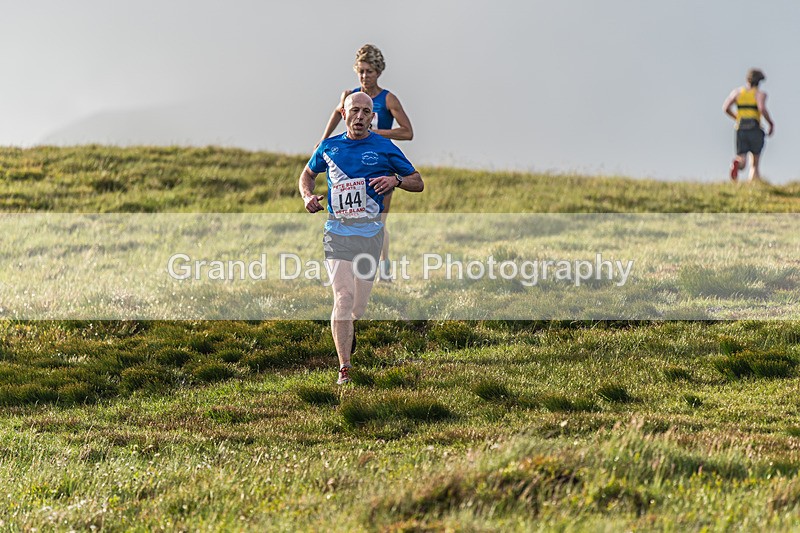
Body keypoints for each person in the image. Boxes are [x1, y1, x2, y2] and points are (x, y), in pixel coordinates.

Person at [300, 92, 423, 384]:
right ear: (344, 114)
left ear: (372, 117)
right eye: (354, 110)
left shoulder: (384, 147)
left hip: (370, 236)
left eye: (366, 112)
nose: (359, 116)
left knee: (358, 307)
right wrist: (307, 196)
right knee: (343, 297)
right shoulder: (329, 147)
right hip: (337, 233)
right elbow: (307, 175)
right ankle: (345, 367)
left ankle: (350, 326)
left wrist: (396, 180)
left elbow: (418, 182)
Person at [318, 44, 414, 282]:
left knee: (378, 221)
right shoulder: (349, 96)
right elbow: (336, 113)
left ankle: (384, 269)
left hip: (380, 167)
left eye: (369, 71)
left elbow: (407, 131)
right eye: (360, 71)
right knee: (346, 217)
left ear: (378, 72)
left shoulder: (388, 99)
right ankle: (344, 269)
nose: (364, 76)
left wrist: (375, 133)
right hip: (350, 166)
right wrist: (322, 141)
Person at [723, 68, 775, 182]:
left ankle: (737, 163)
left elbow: (726, 107)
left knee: (742, 159)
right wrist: (770, 123)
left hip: (740, 128)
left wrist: (736, 117)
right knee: (754, 162)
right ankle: (753, 183)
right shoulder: (759, 94)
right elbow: (762, 108)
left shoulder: (737, 93)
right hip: (754, 128)